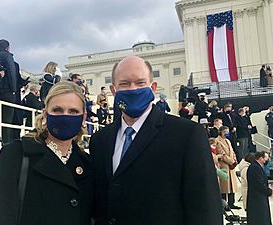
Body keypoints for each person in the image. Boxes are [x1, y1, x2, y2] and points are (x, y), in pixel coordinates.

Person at [89, 56, 222, 225]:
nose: (132, 89)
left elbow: (205, 206)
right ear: (113, 91)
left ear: (153, 87)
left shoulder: (187, 134)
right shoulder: (100, 140)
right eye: (124, 84)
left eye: (140, 83)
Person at [0, 81, 94, 225]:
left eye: (73, 111)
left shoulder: (87, 164)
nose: (65, 116)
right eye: (57, 110)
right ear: (45, 115)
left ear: (83, 118)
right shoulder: (15, 155)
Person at [0, 39, 18, 144]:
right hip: (7, 91)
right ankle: (6, 143)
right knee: (7, 121)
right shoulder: (8, 56)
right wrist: (13, 89)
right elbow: (12, 73)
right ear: (7, 48)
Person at [216, 126, 241, 210]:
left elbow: (232, 151)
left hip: (231, 166)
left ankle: (232, 203)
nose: (227, 133)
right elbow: (222, 154)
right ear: (221, 132)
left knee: (232, 186)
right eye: (225, 131)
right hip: (224, 165)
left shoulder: (228, 140)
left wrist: (235, 159)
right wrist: (231, 162)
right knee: (224, 187)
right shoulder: (217, 141)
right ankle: (224, 205)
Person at [247, 151, 273, 225]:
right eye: (266, 159)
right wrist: (269, 191)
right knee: (260, 218)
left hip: (258, 196)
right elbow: (259, 184)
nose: (266, 161)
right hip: (257, 198)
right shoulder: (255, 167)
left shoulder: (256, 166)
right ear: (261, 158)